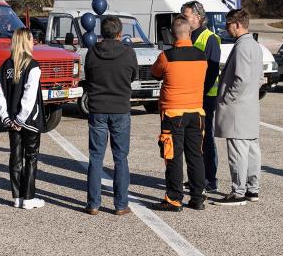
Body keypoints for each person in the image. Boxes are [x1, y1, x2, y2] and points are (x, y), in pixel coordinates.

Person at [150, 17, 207, 212]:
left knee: (173, 156)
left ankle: (174, 199)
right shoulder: (202, 56)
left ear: (172, 35)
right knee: (196, 155)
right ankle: (198, 198)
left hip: (174, 113)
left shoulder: (167, 56)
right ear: (190, 33)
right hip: (197, 112)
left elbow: (155, 72)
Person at [83, 16, 138, 216]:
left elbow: (88, 77)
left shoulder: (92, 53)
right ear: (119, 33)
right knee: (120, 157)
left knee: (96, 157)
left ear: (101, 33)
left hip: (98, 108)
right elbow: (134, 76)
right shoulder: (128, 53)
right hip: (120, 109)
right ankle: (121, 204)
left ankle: (93, 203)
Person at [213, 9, 263, 206]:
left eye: (228, 25)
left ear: (237, 25)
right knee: (251, 149)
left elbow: (240, 79)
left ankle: (238, 191)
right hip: (250, 105)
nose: (226, 28)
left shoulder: (242, 46)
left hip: (237, 108)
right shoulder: (255, 46)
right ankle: (252, 189)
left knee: (237, 151)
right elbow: (258, 78)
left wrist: (227, 98)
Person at [0, 28, 46, 210]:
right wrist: (20, 119)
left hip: (13, 120)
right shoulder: (33, 66)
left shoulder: (4, 65)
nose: (33, 43)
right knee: (30, 157)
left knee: (15, 157)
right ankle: (28, 199)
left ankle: (17, 197)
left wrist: (7, 118)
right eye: (31, 40)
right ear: (26, 41)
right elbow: (29, 96)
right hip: (28, 121)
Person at [181, 0, 221, 193]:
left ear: (198, 17)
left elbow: (212, 71)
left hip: (205, 97)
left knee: (205, 139)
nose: (183, 18)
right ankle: (196, 177)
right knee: (191, 139)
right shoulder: (186, 37)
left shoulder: (209, 38)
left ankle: (210, 179)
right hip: (188, 97)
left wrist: (199, 91)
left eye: (186, 15)